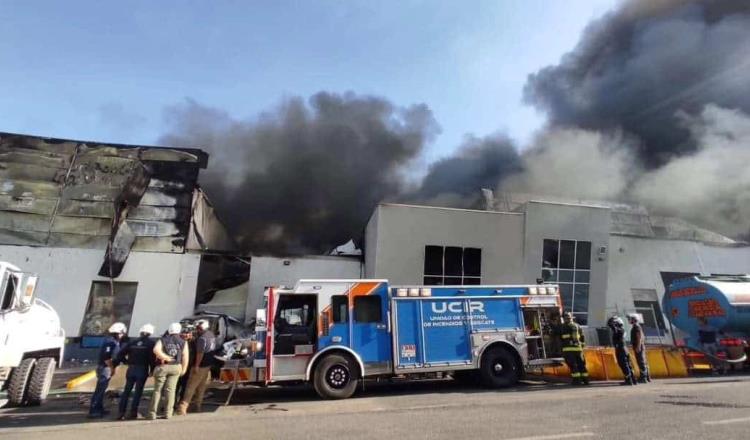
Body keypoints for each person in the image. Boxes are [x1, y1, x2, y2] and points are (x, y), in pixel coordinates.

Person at [148, 323, 189, 420]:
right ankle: (168, 413)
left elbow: (156, 350)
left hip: (163, 367)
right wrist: (184, 369)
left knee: (157, 390)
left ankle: (152, 414)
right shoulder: (183, 341)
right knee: (171, 391)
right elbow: (185, 356)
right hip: (176, 367)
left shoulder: (163, 339)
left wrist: (165, 357)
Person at [176, 319, 216, 415]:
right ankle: (197, 405)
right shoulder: (211, 335)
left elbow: (200, 353)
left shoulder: (202, 338)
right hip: (208, 365)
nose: (196, 330)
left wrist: (196, 365)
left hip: (200, 366)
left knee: (191, 386)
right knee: (201, 387)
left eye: (198, 328)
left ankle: (182, 407)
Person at [116, 323, 155, 420]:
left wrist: (127, 362)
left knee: (127, 391)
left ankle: (121, 412)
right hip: (142, 369)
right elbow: (152, 358)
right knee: (138, 391)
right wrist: (152, 370)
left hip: (131, 369)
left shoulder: (132, 342)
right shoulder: (151, 343)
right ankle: (133, 412)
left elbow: (120, 354)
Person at [88, 322, 127, 418]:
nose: (122, 335)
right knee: (100, 390)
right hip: (105, 368)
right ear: (118, 333)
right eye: (121, 333)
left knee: (102, 390)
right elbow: (107, 358)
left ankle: (99, 409)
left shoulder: (112, 341)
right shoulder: (111, 342)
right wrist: (112, 368)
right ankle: (94, 411)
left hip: (105, 368)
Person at [560, 312, 589, 385]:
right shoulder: (577, 326)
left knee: (572, 365)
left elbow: (559, 336)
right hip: (578, 349)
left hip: (568, 349)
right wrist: (582, 346)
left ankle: (577, 380)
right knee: (581, 364)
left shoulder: (563, 327)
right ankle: (585, 380)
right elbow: (582, 337)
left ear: (564, 319)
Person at [608, 315, 637, 386]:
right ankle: (633, 380)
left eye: (615, 323)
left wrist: (612, 321)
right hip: (623, 349)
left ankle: (629, 380)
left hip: (621, 349)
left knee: (624, 364)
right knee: (627, 364)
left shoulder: (620, 330)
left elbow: (611, 325)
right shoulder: (621, 329)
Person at [175, 324, 196, 404]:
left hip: (188, 368)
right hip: (177, 366)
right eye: (184, 333)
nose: (186, 335)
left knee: (185, 386)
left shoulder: (194, 343)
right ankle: (172, 403)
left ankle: (181, 402)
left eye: (188, 333)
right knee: (175, 386)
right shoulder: (178, 341)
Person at [628, 314, 650, 383]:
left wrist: (638, 346)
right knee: (642, 361)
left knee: (641, 362)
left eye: (631, 319)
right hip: (639, 346)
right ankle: (647, 377)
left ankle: (643, 378)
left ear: (634, 319)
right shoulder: (636, 326)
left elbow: (639, 337)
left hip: (639, 346)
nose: (630, 320)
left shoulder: (636, 327)